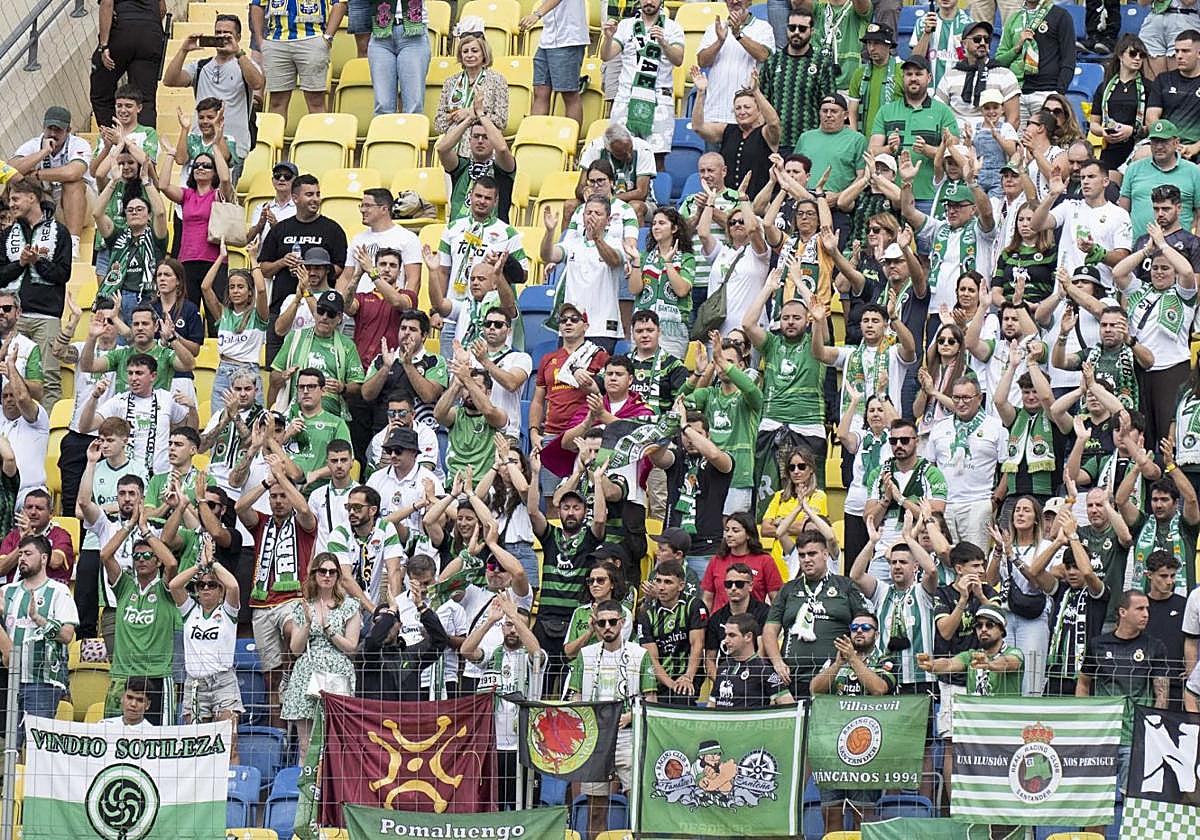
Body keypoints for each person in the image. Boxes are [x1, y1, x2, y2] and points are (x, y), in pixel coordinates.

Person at [235, 457, 319, 730]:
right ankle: (278, 740)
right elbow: (240, 506)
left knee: (292, 634)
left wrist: (283, 478)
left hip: (292, 599)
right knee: (272, 679)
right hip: (261, 605)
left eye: (283, 496)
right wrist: (266, 482)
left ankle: (293, 670)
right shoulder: (261, 523)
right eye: (274, 497)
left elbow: (304, 508)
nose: (278, 501)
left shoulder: (304, 524)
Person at [566, 599, 656, 840]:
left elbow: (651, 701)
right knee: (595, 808)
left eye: (612, 622)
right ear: (594, 624)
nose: (607, 626)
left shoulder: (640, 655)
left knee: (637, 805)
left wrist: (630, 716)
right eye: (601, 622)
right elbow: (576, 698)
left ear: (622, 622)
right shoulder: (585, 655)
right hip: (596, 740)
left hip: (628, 736)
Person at [1077, 590, 1170, 810]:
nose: (1146, 614)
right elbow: (1083, 683)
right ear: (1122, 612)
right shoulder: (1098, 644)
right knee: (1097, 802)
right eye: (1140, 609)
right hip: (1102, 736)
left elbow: (1162, 693)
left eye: (1147, 609)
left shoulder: (1155, 646)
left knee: (1135, 802)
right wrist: (1084, 721)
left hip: (1135, 736)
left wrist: (1153, 729)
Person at [529, 452, 608, 692]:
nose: (571, 512)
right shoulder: (550, 536)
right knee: (538, 681)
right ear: (559, 511)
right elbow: (533, 511)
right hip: (544, 619)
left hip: (573, 621)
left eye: (576, 507)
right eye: (565, 507)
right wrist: (535, 474)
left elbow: (601, 519)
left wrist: (596, 480)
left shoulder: (588, 539)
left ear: (584, 511)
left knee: (567, 686)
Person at [1113, 223, 1197, 446]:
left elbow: (1188, 272)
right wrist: (1146, 251)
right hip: (1141, 368)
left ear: (1174, 272)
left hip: (1172, 368)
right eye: (1156, 268)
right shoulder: (1140, 289)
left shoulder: (1183, 294)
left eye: (1165, 269)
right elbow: (1118, 272)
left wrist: (1163, 244)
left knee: (1166, 433)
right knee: (1144, 433)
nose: (1159, 272)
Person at [99, 504, 180, 725]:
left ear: (157, 561)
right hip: (122, 674)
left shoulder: (165, 589)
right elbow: (105, 555)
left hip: (157, 675)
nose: (141, 559)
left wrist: (145, 531)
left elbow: (172, 563)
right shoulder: (125, 586)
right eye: (137, 556)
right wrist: (129, 525)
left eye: (147, 555)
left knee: (160, 743)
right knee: (112, 737)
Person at [463, 595, 545, 810]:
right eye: (508, 625)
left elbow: (536, 652)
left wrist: (514, 616)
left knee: (525, 807)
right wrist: (490, 620)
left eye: (517, 626)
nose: (512, 630)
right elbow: (466, 650)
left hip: (525, 746)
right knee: (495, 806)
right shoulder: (492, 654)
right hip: (494, 746)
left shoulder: (533, 657)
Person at [764, 532, 869, 698]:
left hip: (835, 677)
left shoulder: (845, 585)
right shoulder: (789, 589)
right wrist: (777, 662)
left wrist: (854, 659)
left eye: (812, 554)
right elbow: (770, 629)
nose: (807, 559)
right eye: (802, 555)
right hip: (792, 677)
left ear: (825, 554)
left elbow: (865, 624)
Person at [257, 174, 349, 364]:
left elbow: (340, 268)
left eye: (317, 194)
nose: (315, 199)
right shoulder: (280, 229)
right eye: (309, 194)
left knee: (314, 367)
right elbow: (264, 268)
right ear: (295, 198)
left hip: (319, 308)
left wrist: (314, 270)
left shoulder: (333, 230)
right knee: (276, 371)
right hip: (282, 306)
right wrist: (282, 262)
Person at [167, 542, 242, 760]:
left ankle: (231, 792)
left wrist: (213, 564)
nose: (206, 588)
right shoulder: (190, 611)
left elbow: (234, 586)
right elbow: (174, 585)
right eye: (201, 585)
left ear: (220, 591)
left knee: (229, 743)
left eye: (212, 585)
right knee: (196, 747)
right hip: (195, 683)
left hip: (223, 681)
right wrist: (200, 566)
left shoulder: (227, 610)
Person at [282, 555, 361, 757]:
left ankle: (331, 787)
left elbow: (351, 647)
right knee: (306, 746)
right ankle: (306, 787)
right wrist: (308, 624)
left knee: (335, 743)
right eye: (322, 571)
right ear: (314, 574)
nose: (327, 575)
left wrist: (329, 629)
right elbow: (295, 649)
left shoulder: (349, 605)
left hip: (337, 671)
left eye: (332, 571)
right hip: (306, 673)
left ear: (337, 575)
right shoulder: (303, 606)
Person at [0, 535, 77, 742]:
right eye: (20, 554)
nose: (22, 558)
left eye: (28, 554)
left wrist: (39, 619)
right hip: (9, 680)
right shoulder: (6, 592)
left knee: (37, 748)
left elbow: (67, 635)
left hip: (42, 682)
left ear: (44, 558)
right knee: (8, 746)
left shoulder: (59, 592)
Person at [78, 352, 196, 480]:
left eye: (139, 373)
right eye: (130, 373)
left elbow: (190, 432)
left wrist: (192, 408)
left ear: (153, 376)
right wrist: (94, 397)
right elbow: (85, 427)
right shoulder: (119, 400)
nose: (133, 378)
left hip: (160, 477)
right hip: (127, 478)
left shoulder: (166, 398)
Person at [162, 15, 263, 157]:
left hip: (233, 144)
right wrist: (184, 50)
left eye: (227, 34)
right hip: (199, 143)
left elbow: (257, 83)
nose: (222, 37)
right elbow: (169, 81)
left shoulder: (245, 64)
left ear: (238, 37)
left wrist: (238, 52)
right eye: (218, 33)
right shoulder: (200, 65)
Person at [868, 57, 960, 212]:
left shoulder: (943, 112)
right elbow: (872, 152)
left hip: (929, 196)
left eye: (918, 74)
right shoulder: (886, 110)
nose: (913, 78)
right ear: (902, 77)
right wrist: (889, 149)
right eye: (909, 74)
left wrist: (927, 150)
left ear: (929, 77)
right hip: (892, 195)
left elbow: (956, 156)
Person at [925, 377, 1006, 551]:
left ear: (979, 398)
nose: (961, 403)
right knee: (946, 558)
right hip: (945, 505)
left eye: (966, 398)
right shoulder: (939, 427)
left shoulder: (996, 427)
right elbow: (930, 467)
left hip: (979, 503)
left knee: (976, 560)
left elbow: (1008, 468)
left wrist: (994, 501)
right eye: (956, 398)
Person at [600, 0, 685, 156]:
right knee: (619, 155)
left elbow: (678, 59)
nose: (649, 2)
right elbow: (606, 56)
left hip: (658, 100)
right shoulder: (626, 25)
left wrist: (664, 43)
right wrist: (608, 38)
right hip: (626, 98)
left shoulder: (673, 27)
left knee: (656, 158)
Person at [156, 149, 234, 317]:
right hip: (187, 260)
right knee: (187, 313)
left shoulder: (218, 194)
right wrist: (170, 154)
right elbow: (163, 185)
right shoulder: (187, 195)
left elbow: (226, 179)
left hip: (214, 261)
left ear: (214, 172)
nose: (200, 168)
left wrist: (216, 146)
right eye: (197, 165)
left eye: (207, 165)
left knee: (216, 314)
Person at [1031, 162, 1132, 289]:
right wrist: (1052, 195)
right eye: (1083, 178)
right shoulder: (1069, 206)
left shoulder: (1119, 214)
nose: (1085, 181)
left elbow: (1122, 258)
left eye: (1091, 177)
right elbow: (1035, 225)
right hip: (1065, 291)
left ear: (1105, 182)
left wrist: (1096, 252)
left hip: (1101, 291)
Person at [269, 291, 364, 420]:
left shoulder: (347, 345)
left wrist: (343, 387)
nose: (324, 317)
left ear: (340, 318)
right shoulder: (295, 337)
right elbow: (274, 376)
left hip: (331, 417)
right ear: (314, 312)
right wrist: (283, 376)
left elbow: (357, 386)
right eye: (320, 311)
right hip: (296, 414)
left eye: (330, 313)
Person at [9, 107, 93, 252]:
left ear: (69, 130)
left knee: (72, 183)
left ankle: (72, 245)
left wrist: (37, 174)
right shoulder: (33, 144)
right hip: (50, 203)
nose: (53, 134)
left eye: (58, 130)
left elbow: (73, 172)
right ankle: (27, 242)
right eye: (50, 128)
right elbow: (10, 171)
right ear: (43, 127)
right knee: (20, 186)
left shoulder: (79, 144)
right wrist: (43, 152)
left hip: (83, 207)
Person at [691, 68, 781, 202]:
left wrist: (755, 91)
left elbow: (774, 122)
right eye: (738, 108)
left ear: (758, 110)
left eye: (747, 107)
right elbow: (698, 127)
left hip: (759, 202)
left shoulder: (766, 133)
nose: (742, 112)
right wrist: (700, 92)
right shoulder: (727, 130)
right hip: (728, 203)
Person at [249, 0, 343, 118]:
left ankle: (319, 136)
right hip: (276, 42)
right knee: (276, 102)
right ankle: (276, 136)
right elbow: (257, 4)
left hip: (312, 40)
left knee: (316, 101)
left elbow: (339, 3)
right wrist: (259, 39)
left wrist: (328, 37)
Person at [759, 7, 836, 149]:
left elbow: (828, 106)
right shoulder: (772, 62)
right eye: (792, 27)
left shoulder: (822, 64)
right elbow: (762, 102)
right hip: (774, 144)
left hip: (809, 144)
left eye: (802, 29)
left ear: (812, 31)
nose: (796, 32)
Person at [995, 0, 1078, 124]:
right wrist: (1017, 47)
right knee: (1017, 141)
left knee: (1046, 140)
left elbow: (1069, 58)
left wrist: (1058, 93)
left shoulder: (1060, 15)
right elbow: (1000, 61)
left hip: (1046, 92)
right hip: (1018, 94)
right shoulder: (1014, 18)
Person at [638, 561, 707, 705]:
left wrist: (687, 677)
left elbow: (697, 644)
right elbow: (651, 658)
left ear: (681, 586)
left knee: (681, 701)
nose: (661, 587)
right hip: (660, 678)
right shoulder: (646, 614)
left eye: (668, 582)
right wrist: (671, 684)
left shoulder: (694, 606)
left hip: (690, 675)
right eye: (658, 581)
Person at [917, 604, 1025, 696]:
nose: (983, 629)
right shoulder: (972, 655)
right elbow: (949, 664)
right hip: (974, 718)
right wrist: (932, 665)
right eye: (979, 625)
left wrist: (989, 665)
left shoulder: (1014, 652)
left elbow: (1009, 663)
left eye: (989, 625)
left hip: (1004, 718)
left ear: (1001, 630)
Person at [89, 0, 165, 128]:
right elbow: (162, 9)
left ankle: (113, 137)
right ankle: (144, 144)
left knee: (101, 92)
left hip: (122, 30)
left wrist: (104, 45)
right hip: (150, 33)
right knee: (144, 99)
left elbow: (107, 3)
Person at [1119, 119, 1200, 239]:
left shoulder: (1193, 171)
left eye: (1164, 142)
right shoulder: (1134, 168)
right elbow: (1122, 212)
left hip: (1180, 250)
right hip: (1139, 249)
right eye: (1155, 142)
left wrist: (1197, 247)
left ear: (1176, 143)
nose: (1159, 146)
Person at [437, 110, 517, 226]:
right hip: (458, 234)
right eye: (476, 136)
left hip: (493, 236)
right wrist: (469, 120)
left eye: (485, 137)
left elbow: (502, 149)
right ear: (469, 141)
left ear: (493, 141)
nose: (480, 141)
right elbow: (442, 150)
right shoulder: (462, 166)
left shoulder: (501, 168)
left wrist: (480, 114)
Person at [1090, 36, 1151, 172]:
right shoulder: (1104, 87)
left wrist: (1132, 130)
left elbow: (1152, 125)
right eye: (1133, 53)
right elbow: (1094, 124)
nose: (1137, 58)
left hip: (1138, 147)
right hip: (1110, 148)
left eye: (1141, 55)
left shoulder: (1149, 87)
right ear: (1120, 55)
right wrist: (1103, 132)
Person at [709, 613, 793, 708]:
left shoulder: (763, 669)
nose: (726, 640)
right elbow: (711, 705)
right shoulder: (723, 667)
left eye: (732, 635)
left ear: (748, 637)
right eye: (726, 635)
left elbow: (789, 706)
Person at [1146, 30, 1200, 155]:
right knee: (1140, 155)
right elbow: (1151, 118)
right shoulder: (1163, 79)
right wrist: (1168, 143)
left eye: (1185, 51)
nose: (1179, 56)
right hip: (1163, 143)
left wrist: (1195, 148)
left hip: (1195, 146)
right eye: (1176, 51)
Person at [910, 0, 974, 90]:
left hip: (957, 91)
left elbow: (972, 63)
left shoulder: (969, 25)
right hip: (928, 92)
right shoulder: (922, 22)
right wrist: (926, 34)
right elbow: (915, 61)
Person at [248, 162, 298, 245]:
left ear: (295, 181)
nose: (282, 179)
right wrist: (260, 224)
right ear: (272, 180)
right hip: (263, 257)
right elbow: (248, 240)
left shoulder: (299, 209)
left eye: (287, 176)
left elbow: (298, 240)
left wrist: (276, 226)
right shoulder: (261, 208)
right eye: (277, 175)